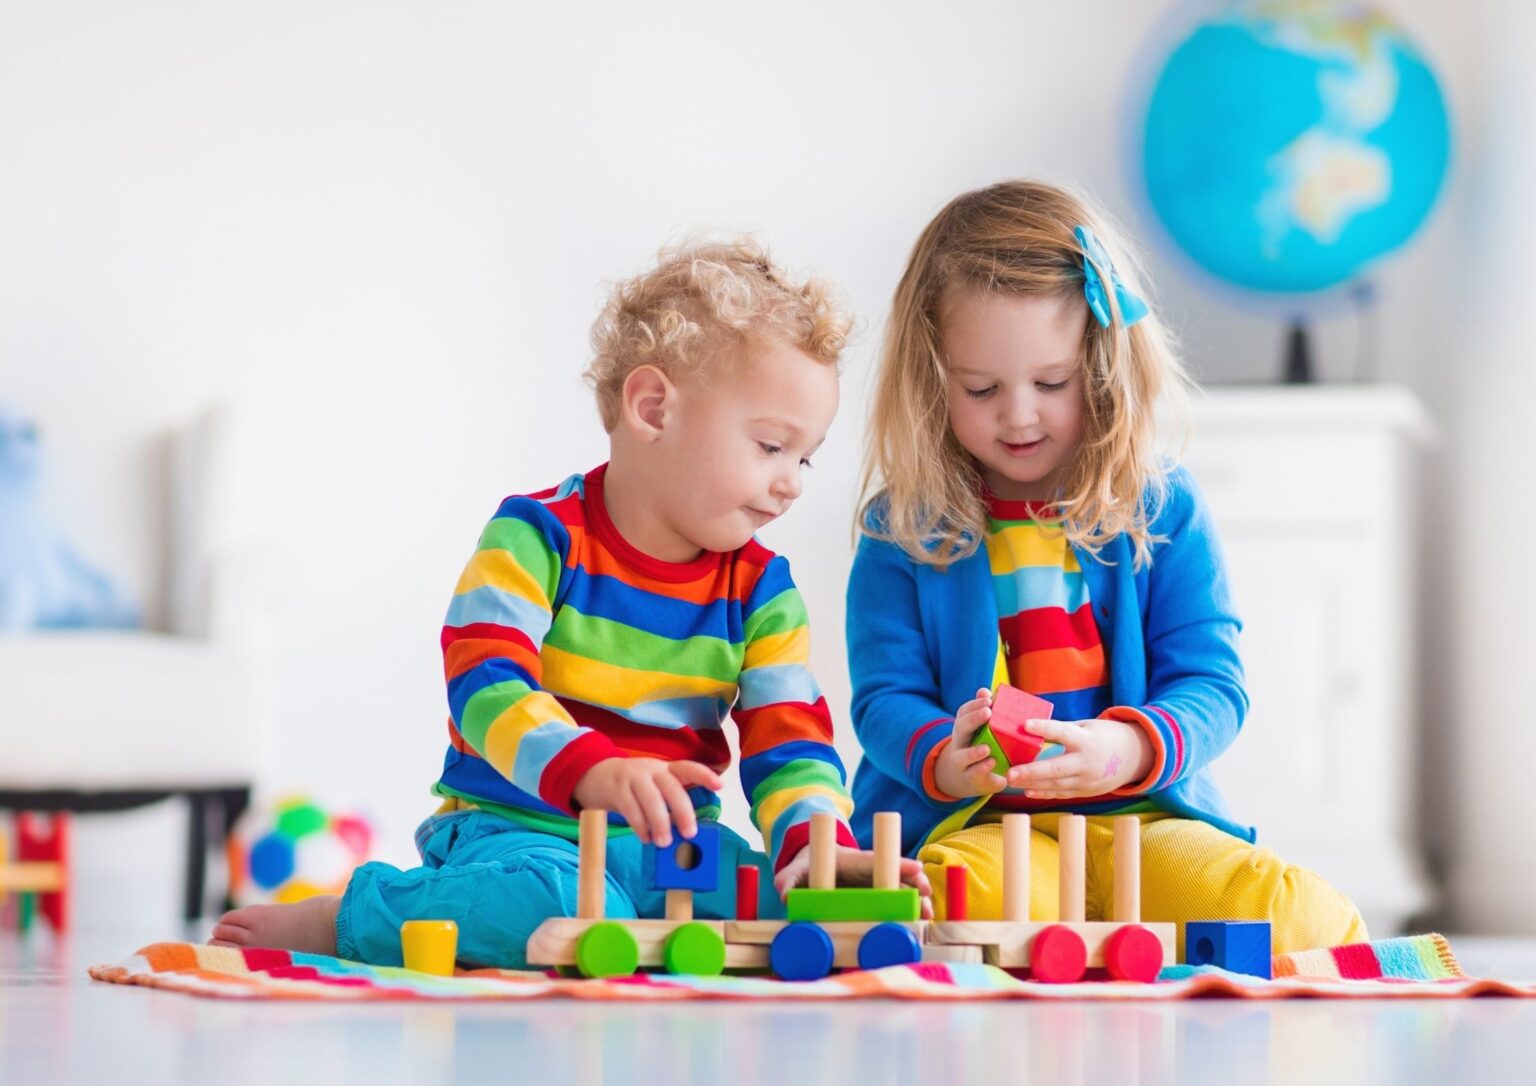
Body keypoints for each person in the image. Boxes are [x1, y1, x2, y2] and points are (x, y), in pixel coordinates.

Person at [212, 238, 928, 967]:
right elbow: (483, 680)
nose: (791, 484)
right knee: (558, 903)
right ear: (652, 408)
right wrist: (590, 770)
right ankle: (360, 917)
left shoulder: (763, 590)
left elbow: (790, 737)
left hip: (671, 853)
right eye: (771, 446)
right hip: (523, 828)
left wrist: (813, 843)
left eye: (804, 457)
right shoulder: (539, 536)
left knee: (807, 901)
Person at [847, 180, 1365, 954]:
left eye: (1051, 384)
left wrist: (1130, 749)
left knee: (1296, 919)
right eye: (981, 389)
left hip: (1140, 820)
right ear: (932, 382)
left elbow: (1212, 684)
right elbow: (885, 696)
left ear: (1103, 365)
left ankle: (1081, 931)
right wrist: (945, 763)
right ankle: (1048, 932)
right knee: (950, 901)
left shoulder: (1162, 507)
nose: (1019, 415)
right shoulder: (902, 527)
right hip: (984, 824)